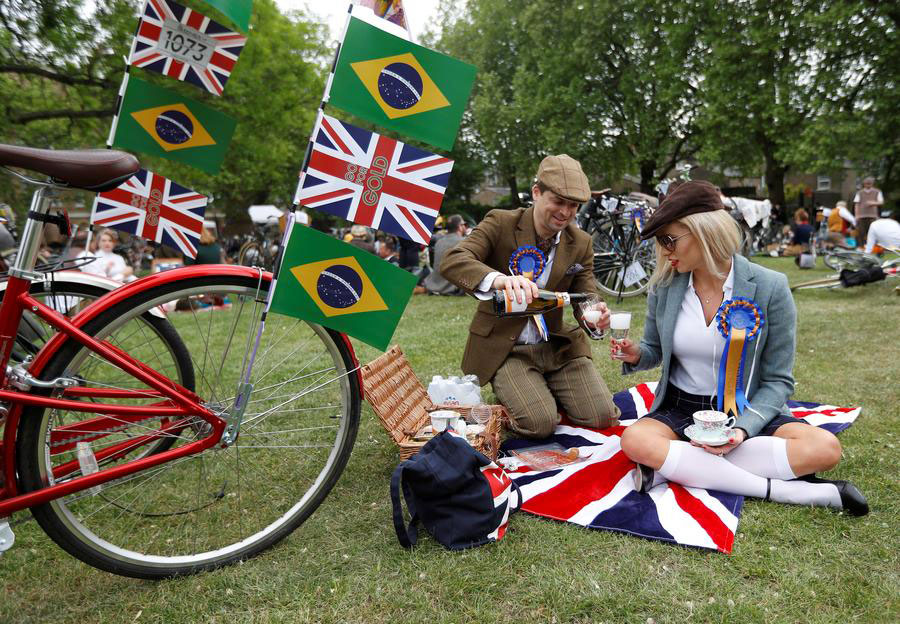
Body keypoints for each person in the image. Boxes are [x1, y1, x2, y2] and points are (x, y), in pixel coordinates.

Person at [610, 180, 867, 515]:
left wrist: (743, 429)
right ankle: (789, 492)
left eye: (669, 239)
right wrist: (636, 354)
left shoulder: (771, 286)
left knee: (825, 448)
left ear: (703, 231)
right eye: (660, 242)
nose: (664, 250)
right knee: (633, 440)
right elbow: (653, 348)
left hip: (746, 407)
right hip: (680, 406)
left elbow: (778, 381)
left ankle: (673, 467)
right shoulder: (665, 286)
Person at [441, 154, 620, 438]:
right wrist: (499, 280)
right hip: (508, 349)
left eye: (573, 205)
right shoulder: (500, 222)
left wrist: (594, 316)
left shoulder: (581, 242)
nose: (566, 212)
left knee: (603, 417)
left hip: (557, 347)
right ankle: (527, 398)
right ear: (536, 192)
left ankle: (543, 391)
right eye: (558, 201)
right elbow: (454, 260)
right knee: (539, 424)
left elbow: (587, 294)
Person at [424, 214, 465, 295]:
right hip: (452, 287)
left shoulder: (439, 242)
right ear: (459, 227)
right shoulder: (463, 242)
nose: (465, 227)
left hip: (434, 284)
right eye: (464, 224)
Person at [853, 177, 884, 246]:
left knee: (873, 232)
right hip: (861, 216)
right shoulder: (859, 193)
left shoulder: (877, 192)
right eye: (866, 184)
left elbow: (881, 202)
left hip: (873, 216)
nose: (868, 185)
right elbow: (856, 204)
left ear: (872, 184)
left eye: (869, 183)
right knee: (860, 232)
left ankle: (874, 247)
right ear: (864, 184)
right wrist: (856, 215)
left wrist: (873, 203)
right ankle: (861, 247)